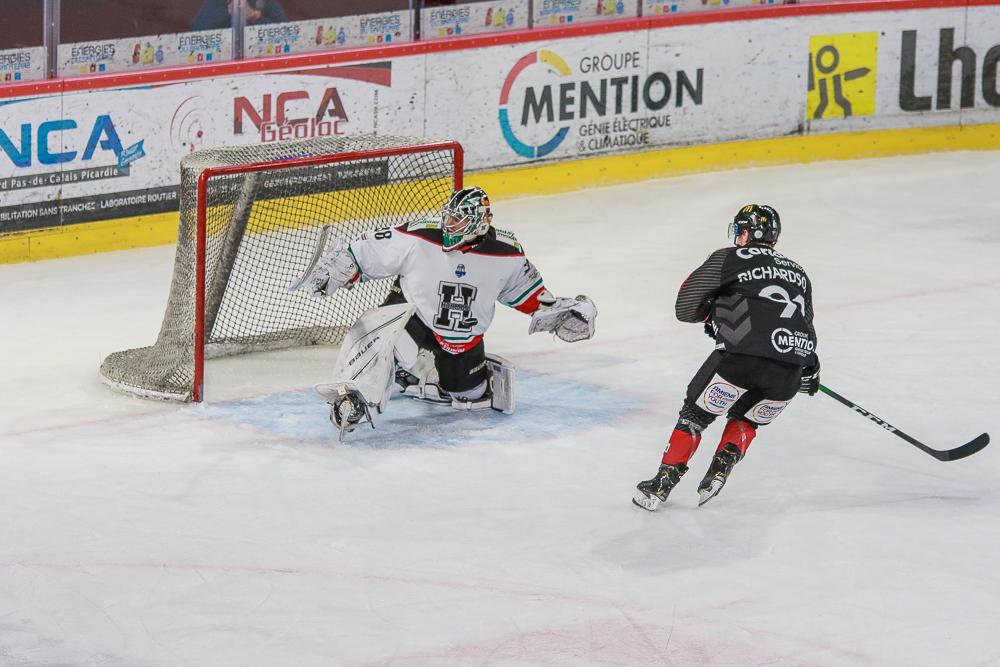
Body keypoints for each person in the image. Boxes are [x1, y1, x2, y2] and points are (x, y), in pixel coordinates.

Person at [299, 186, 597, 434]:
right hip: (411, 317)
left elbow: (530, 295)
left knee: (469, 396)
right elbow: (369, 250)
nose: (449, 225)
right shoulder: (420, 236)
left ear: (480, 224)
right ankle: (355, 397)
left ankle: (426, 372)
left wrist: (559, 313)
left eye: (458, 220)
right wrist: (344, 266)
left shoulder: (506, 253)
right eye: (449, 217)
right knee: (383, 339)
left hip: (461, 338)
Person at [633, 204, 820, 510]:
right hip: (791, 370)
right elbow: (804, 323)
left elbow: (686, 307)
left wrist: (712, 314)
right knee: (747, 418)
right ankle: (721, 467)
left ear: (745, 232)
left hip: (740, 359)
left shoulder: (729, 257)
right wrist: (809, 367)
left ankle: (661, 485)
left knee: (695, 416)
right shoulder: (799, 272)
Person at [190, 0, 288, 31]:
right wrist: (228, 12)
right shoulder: (217, 2)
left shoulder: (265, 3)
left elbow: (285, 33)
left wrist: (256, 18)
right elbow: (197, 29)